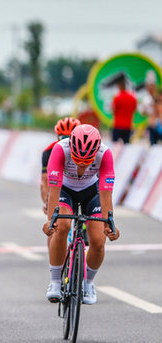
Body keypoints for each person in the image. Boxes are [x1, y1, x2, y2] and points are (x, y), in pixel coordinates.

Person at [42, 124, 120, 305]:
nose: (82, 166)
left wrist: (109, 223)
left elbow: (106, 193)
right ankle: (54, 282)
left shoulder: (105, 154)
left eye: (87, 162)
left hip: (91, 192)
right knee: (62, 227)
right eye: (78, 161)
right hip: (65, 191)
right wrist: (50, 221)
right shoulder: (60, 149)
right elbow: (53, 191)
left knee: (99, 241)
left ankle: (88, 283)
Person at [40, 117, 81, 214]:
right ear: (57, 137)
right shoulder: (48, 152)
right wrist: (48, 203)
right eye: (63, 138)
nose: (67, 142)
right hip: (61, 185)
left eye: (71, 138)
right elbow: (45, 181)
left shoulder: (86, 150)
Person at [111, 76, 137, 144]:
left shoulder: (117, 97)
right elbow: (134, 110)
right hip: (128, 125)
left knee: (114, 145)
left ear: (119, 86)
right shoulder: (132, 98)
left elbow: (113, 110)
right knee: (127, 145)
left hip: (118, 125)